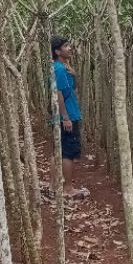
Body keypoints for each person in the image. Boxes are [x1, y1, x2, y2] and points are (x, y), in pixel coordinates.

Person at [51, 36, 88, 199]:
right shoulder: (58, 69)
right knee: (68, 153)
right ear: (57, 51)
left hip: (65, 114)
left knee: (58, 151)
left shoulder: (63, 68)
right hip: (67, 115)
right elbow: (58, 93)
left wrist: (74, 74)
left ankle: (54, 186)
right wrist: (65, 117)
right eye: (66, 46)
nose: (70, 48)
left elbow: (71, 90)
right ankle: (68, 188)